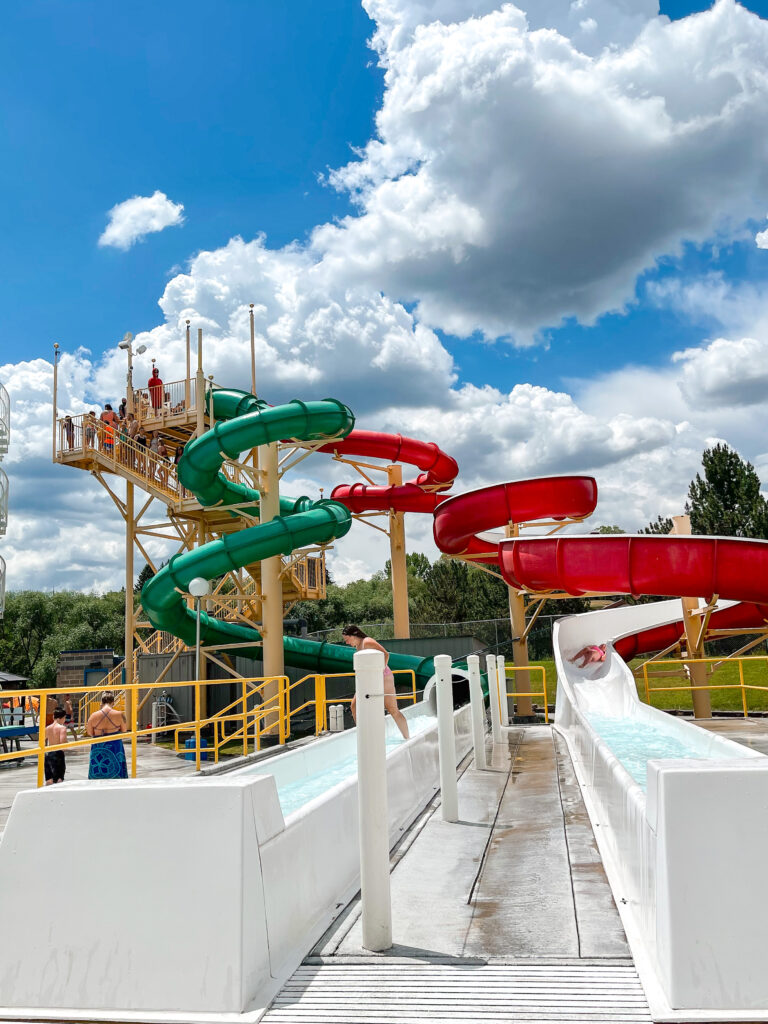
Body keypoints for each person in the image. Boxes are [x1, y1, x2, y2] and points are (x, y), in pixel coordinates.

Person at [342, 625, 409, 740]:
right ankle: (364, 738)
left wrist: (379, 674)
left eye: (347, 639)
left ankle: (407, 738)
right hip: (368, 680)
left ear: (354, 635)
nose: (347, 643)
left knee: (393, 710)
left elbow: (386, 654)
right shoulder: (358, 647)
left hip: (383, 677)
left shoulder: (367, 642)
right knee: (354, 705)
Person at [86, 691, 128, 780]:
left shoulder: (93, 716)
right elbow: (124, 730)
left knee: (98, 768)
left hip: (98, 744)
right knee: (117, 772)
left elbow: (89, 732)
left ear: (101, 702)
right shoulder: (119, 714)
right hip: (115, 744)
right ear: (113, 702)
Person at [44, 708, 69, 785]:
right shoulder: (62, 728)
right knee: (59, 779)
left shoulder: (47, 728)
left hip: (49, 753)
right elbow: (62, 743)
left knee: (49, 780)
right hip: (58, 754)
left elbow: (43, 741)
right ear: (62, 718)